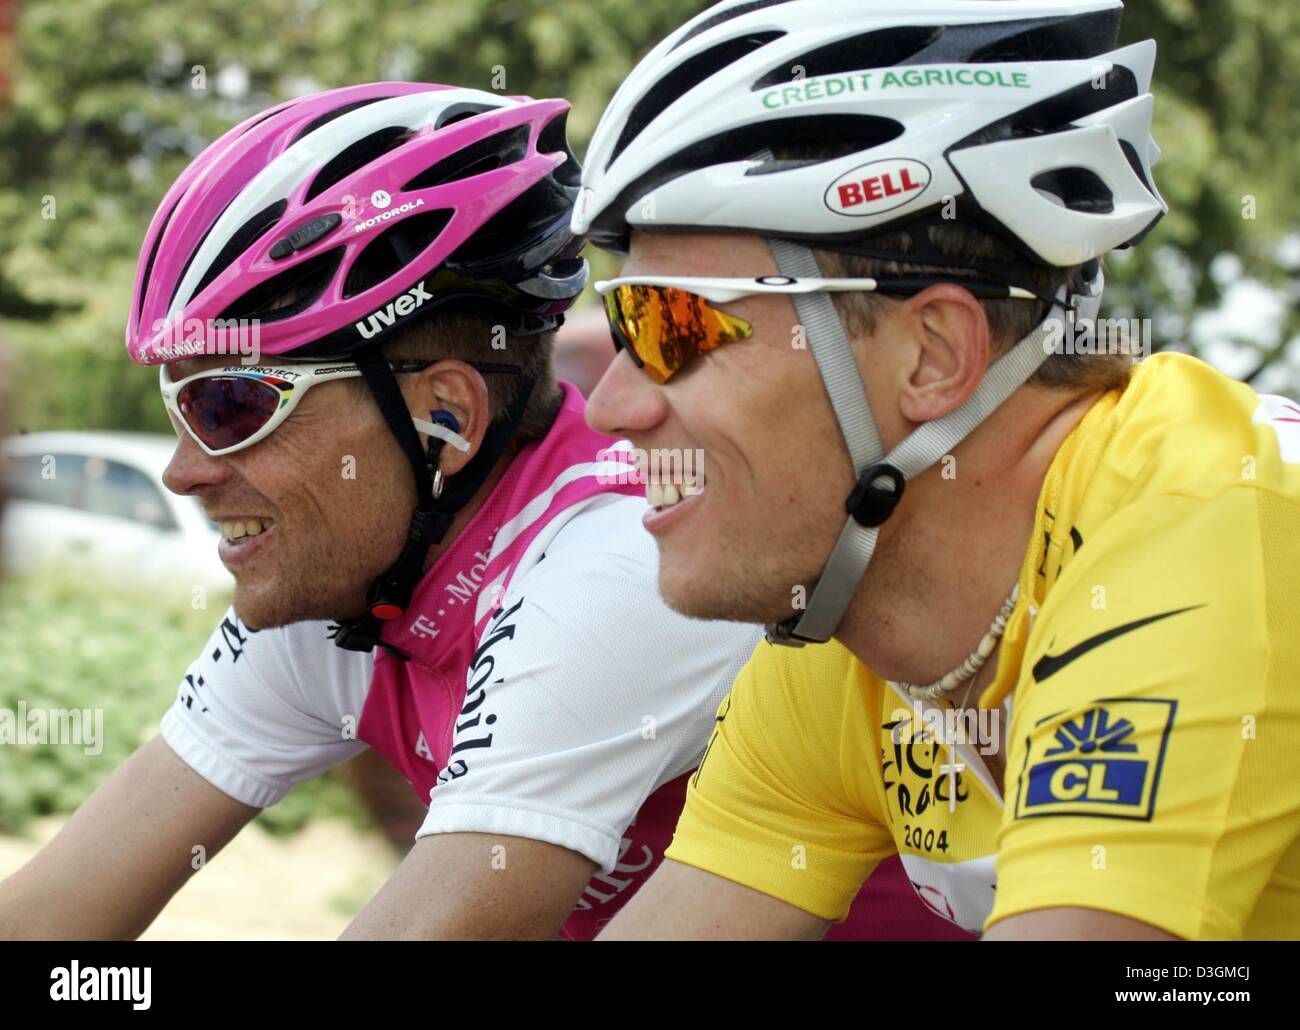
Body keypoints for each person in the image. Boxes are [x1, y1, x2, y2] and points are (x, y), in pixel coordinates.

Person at [0, 81, 952, 941]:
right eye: (180, 407)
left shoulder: (620, 568)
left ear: (442, 416)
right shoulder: (347, 582)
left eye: (231, 406)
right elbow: (54, 911)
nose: (182, 471)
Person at [573, 0, 1300, 940]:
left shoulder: (1207, 522)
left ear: (931, 356)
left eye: (669, 324)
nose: (610, 406)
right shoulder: (850, 638)